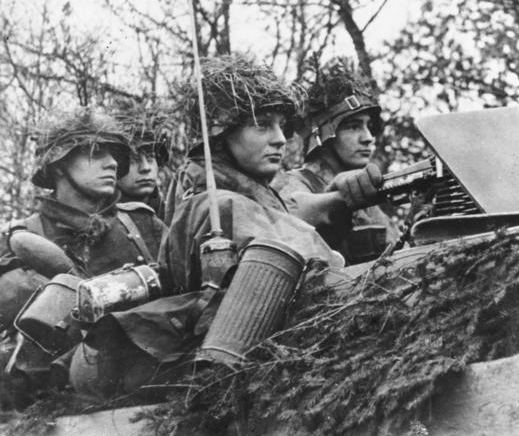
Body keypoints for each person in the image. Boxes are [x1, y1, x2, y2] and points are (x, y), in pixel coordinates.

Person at [69, 54, 344, 400]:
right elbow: (314, 262)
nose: (279, 139)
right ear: (221, 134)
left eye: (281, 127)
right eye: (262, 125)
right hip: (217, 362)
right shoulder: (214, 201)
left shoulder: (251, 194)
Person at [0, 107, 165, 407]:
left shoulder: (144, 226)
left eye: (115, 154)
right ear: (59, 164)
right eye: (96, 152)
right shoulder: (16, 242)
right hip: (43, 419)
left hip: (144, 404)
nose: (113, 163)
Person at [273, 57, 399, 263]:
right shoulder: (292, 186)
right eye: (353, 126)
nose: (368, 137)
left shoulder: (366, 196)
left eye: (369, 126)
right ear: (323, 136)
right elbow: (283, 238)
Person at [116, 105, 172, 219]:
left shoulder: (172, 216)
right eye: (134, 159)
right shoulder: (101, 221)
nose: (145, 168)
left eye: (150, 157)